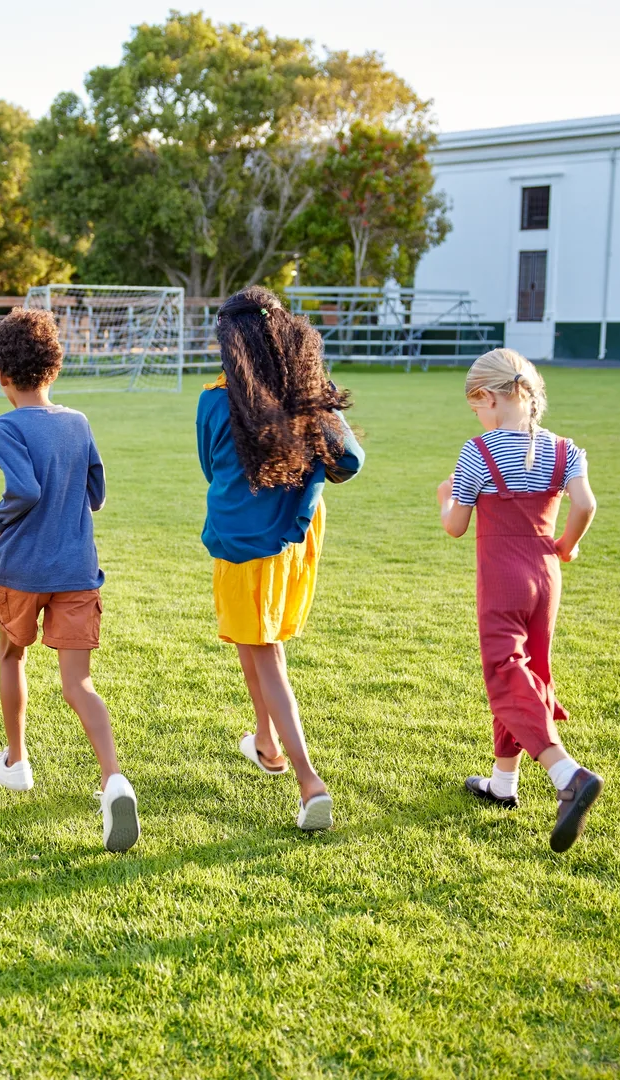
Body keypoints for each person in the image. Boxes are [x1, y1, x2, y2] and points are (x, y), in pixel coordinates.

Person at [197, 286, 364, 833]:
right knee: (258, 641)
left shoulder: (215, 399)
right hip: (296, 536)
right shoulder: (305, 393)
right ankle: (265, 742)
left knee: (263, 650)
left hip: (245, 540)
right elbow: (351, 461)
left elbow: (209, 465)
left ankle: (309, 781)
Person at [0, 308, 139, 852]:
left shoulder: (2, 427)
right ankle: (113, 779)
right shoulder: (78, 422)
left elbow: (23, 491)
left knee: (11, 655)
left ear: (2, 374)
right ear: (55, 369)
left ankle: (17, 760)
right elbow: (96, 494)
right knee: (79, 685)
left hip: (23, 570)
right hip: (77, 570)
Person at [436, 348, 601, 852]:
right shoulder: (564, 449)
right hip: (547, 574)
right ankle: (502, 783)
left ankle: (566, 773)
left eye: (476, 407)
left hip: (502, 575)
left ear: (487, 397)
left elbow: (456, 526)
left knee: (505, 672)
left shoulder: (478, 452)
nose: (478, 417)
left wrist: (444, 494)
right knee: (530, 671)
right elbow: (586, 504)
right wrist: (566, 546)